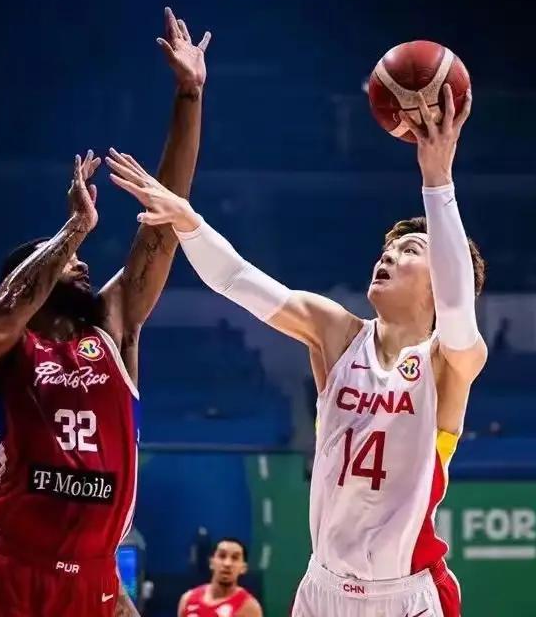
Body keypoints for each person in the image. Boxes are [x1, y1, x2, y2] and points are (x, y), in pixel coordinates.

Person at [114, 85, 481, 617]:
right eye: (387, 248)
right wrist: (188, 222)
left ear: (441, 280)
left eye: (409, 250)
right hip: (322, 588)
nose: (387, 256)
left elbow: (458, 305)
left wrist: (437, 179)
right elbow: (239, 279)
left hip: (405, 595)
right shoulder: (337, 334)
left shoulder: (450, 362)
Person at [0, 8, 211, 617]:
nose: (82, 262)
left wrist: (190, 95)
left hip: (93, 574)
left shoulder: (112, 327)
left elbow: (163, 226)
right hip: (10, 568)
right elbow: (3, 314)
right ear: (30, 277)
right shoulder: (2, 345)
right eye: (67, 260)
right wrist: (71, 230)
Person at [178, 538, 262, 617]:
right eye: (222, 556)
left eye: (235, 558)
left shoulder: (249, 607)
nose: (227, 564)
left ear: (243, 568)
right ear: (211, 563)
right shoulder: (187, 599)